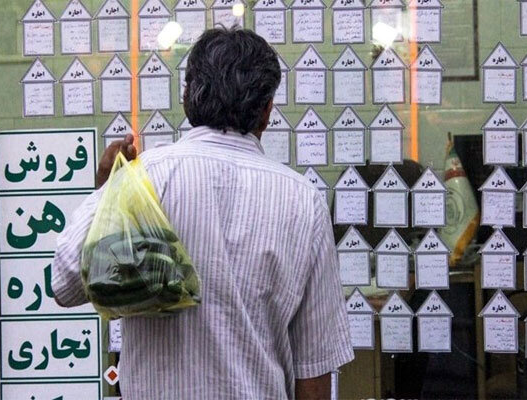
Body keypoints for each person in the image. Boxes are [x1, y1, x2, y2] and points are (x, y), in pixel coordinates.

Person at [52, 27, 354, 399]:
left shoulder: (146, 180)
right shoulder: (303, 202)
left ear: (187, 98)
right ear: (267, 112)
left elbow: (64, 282)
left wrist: (110, 194)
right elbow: (314, 371)